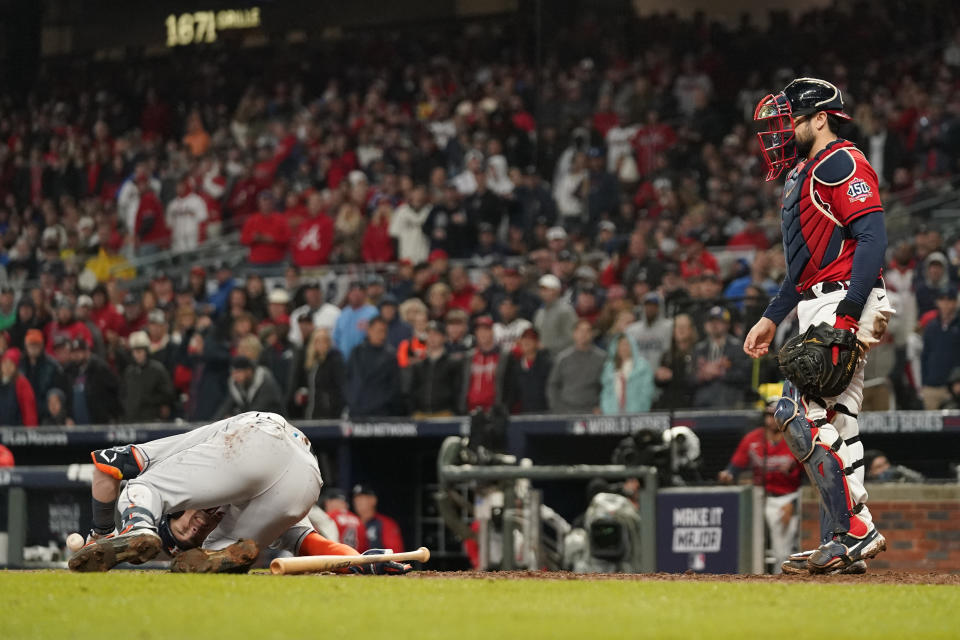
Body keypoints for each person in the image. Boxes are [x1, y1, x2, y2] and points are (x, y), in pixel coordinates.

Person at [745, 78, 894, 574]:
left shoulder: (841, 160)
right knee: (837, 425)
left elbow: (872, 238)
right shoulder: (806, 170)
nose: (784, 129)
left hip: (842, 299)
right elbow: (803, 267)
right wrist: (772, 316)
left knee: (796, 411)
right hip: (819, 298)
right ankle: (846, 538)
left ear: (820, 118)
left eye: (793, 119)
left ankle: (852, 528)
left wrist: (851, 311)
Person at [69, 412, 408, 574]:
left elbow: (106, 467)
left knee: (142, 488)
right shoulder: (217, 527)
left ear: (178, 509)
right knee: (215, 552)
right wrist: (361, 560)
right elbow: (308, 541)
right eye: (190, 537)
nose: (193, 530)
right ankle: (220, 559)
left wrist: (101, 533)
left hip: (257, 438)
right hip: (304, 481)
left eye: (180, 527)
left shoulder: (178, 459)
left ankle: (139, 526)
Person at [718, 400, 803, 574]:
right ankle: (755, 578)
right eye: (767, 415)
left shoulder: (795, 438)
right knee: (753, 544)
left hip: (786, 498)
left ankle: (784, 581)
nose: (770, 420)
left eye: (774, 415)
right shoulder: (753, 438)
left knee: (782, 551)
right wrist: (728, 474)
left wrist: (794, 505)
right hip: (759, 497)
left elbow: (809, 477)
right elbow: (736, 466)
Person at [693, 306, 751, 408]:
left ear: (727, 325)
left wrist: (721, 372)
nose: (714, 325)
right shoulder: (699, 349)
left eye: (719, 321)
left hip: (730, 403)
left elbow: (745, 376)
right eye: (711, 321)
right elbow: (688, 378)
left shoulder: (737, 347)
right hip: (703, 404)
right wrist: (701, 375)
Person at [344, 316, 402, 417]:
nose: (382, 335)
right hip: (356, 411)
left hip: (381, 412)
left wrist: (381, 404)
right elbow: (347, 379)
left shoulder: (391, 356)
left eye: (384, 331)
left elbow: (394, 387)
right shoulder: (356, 352)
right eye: (378, 331)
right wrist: (351, 400)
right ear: (369, 331)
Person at [547, 319, 606, 414]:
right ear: (574, 333)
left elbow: (607, 386)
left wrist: (602, 406)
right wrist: (557, 408)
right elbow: (553, 385)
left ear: (592, 334)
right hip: (566, 411)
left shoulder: (602, 358)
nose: (584, 334)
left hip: (592, 411)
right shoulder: (563, 358)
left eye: (588, 331)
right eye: (580, 331)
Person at [289, 328, 345, 419]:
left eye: (324, 341)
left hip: (329, 414)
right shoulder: (312, 363)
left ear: (329, 343)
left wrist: (336, 409)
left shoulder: (335, 361)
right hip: (311, 412)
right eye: (318, 341)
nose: (321, 344)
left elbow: (341, 387)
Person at [409, 321, 462, 417]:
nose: (432, 338)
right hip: (421, 414)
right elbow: (412, 390)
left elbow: (458, 390)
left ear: (444, 337)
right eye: (429, 334)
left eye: (436, 334)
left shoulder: (452, 364)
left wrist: (455, 411)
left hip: (444, 414)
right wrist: (412, 410)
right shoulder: (419, 365)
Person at [120, 331, 176, 422]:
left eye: (139, 351)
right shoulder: (129, 372)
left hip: (152, 419)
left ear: (146, 351)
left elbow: (168, 394)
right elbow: (123, 394)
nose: (137, 355)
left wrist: (150, 401)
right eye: (134, 352)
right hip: (131, 419)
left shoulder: (157, 369)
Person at [919, 288, 960, 410]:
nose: (946, 304)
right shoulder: (931, 327)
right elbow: (924, 356)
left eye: (950, 300)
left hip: (955, 388)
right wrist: (924, 383)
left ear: (955, 302)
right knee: (930, 427)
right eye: (942, 299)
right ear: (937, 302)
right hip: (931, 387)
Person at [66, 338, 120, 425]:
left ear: (87, 352)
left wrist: (110, 416)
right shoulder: (70, 370)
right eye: (74, 352)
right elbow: (69, 397)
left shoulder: (99, 368)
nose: (76, 355)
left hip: (99, 423)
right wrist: (69, 416)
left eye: (79, 352)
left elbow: (115, 390)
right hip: (77, 425)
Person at [498, 327, 552, 414]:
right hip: (524, 412)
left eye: (531, 339)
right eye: (524, 339)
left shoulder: (547, 365)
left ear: (537, 343)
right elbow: (512, 394)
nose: (526, 342)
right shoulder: (516, 366)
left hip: (545, 412)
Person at [654, 314, 699, 411]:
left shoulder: (697, 353)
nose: (680, 330)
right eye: (678, 327)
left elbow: (695, 380)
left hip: (690, 405)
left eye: (684, 327)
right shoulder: (667, 356)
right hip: (668, 406)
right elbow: (659, 383)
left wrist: (672, 376)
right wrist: (658, 377)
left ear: (691, 330)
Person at [599, 333, 653, 415]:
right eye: (620, 345)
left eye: (626, 344)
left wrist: (642, 408)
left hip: (637, 411)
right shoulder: (609, 368)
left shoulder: (642, 366)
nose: (624, 348)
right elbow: (606, 391)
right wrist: (606, 408)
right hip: (612, 412)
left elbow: (647, 390)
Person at [19, 329, 67, 420]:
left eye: (36, 344)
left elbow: (60, 393)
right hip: (24, 413)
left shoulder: (53, 366)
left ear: (42, 345)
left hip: (47, 415)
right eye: (31, 344)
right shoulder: (19, 365)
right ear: (26, 345)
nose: (33, 347)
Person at [217, 356, 285, 418]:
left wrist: (235, 419)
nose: (235, 376)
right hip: (253, 422)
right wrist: (213, 423)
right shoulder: (237, 384)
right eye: (233, 373)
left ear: (249, 371)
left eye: (238, 372)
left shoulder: (266, 382)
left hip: (275, 422)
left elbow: (259, 409)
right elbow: (226, 406)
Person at [460, 315, 502, 414]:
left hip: (494, 411)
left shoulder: (502, 356)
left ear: (492, 332)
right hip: (471, 410)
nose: (482, 333)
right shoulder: (469, 357)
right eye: (479, 330)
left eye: (486, 330)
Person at [533, 274, 577, 356]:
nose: (543, 292)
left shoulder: (566, 310)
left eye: (547, 289)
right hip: (543, 358)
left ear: (557, 290)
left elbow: (571, 338)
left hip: (561, 358)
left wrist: (548, 347)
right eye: (542, 289)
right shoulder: (540, 312)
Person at [333, 282, 378, 360]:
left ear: (365, 294)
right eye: (353, 291)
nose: (356, 294)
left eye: (359, 292)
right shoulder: (343, 314)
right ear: (348, 294)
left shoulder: (373, 312)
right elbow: (336, 338)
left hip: (365, 360)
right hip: (344, 360)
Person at [352, 484, 404, 552]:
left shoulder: (385, 523)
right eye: (355, 498)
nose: (357, 501)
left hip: (378, 562)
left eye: (362, 497)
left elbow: (396, 554)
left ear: (373, 500)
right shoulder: (350, 522)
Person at [322, 488, 369, 552]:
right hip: (357, 559)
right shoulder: (359, 521)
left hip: (335, 559)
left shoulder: (328, 517)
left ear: (330, 502)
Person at [0, 348, 38, 426]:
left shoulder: (22, 383)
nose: (7, 367)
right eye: (5, 364)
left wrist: (30, 431)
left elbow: (29, 410)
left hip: (17, 431)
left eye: (11, 364)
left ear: (15, 367)